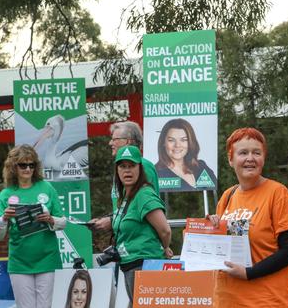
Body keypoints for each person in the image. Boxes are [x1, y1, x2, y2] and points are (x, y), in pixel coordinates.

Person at [207, 128, 288, 308]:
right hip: (228, 300)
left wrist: (249, 272)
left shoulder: (277, 193)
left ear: (263, 158)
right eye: (243, 153)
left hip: (269, 301)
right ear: (230, 159)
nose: (250, 158)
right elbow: (220, 251)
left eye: (256, 153)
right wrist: (210, 229)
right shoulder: (228, 196)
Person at [0, 144, 66, 308]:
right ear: (13, 167)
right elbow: (0, 236)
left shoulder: (47, 187)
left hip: (47, 259)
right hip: (19, 261)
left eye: (31, 164)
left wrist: (51, 220)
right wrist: (4, 219)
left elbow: (63, 222)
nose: (28, 169)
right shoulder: (5, 194)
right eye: (23, 165)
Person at [112, 146, 172, 307]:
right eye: (122, 166)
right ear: (117, 170)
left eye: (131, 165)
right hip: (131, 265)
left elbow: (165, 230)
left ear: (140, 167)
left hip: (145, 266)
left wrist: (165, 248)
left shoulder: (144, 193)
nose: (127, 170)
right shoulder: (126, 194)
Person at [90, 121, 159, 230]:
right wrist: (109, 218)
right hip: (126, 240)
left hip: (140, 240)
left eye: (114, 139)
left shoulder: (143, 165)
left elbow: (146, 206)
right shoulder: (122, 167)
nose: (110, 143)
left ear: (128, 141)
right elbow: (126, 205)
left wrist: (112, 221)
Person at [155, 118, 216, 190]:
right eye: (171, 140)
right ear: (163, 143)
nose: (177, 145)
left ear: (190, 142)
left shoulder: (201, 167)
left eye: (183, 140)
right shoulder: (156, 173)